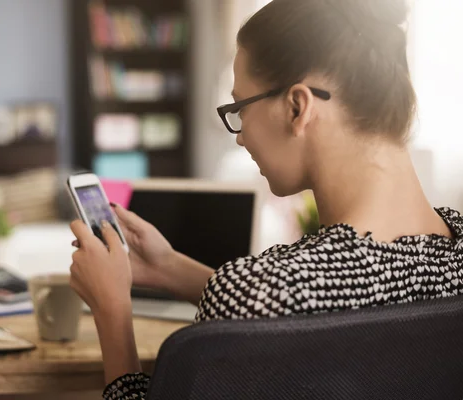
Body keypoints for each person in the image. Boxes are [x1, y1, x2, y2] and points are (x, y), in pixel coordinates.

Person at [68, 0, 463, 398]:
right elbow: (311, 313)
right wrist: (170, 267)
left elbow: (282, 304)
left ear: (297, 107)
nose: (239, 135)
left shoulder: (267, 287)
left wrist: (112, 310)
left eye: (239, 108)